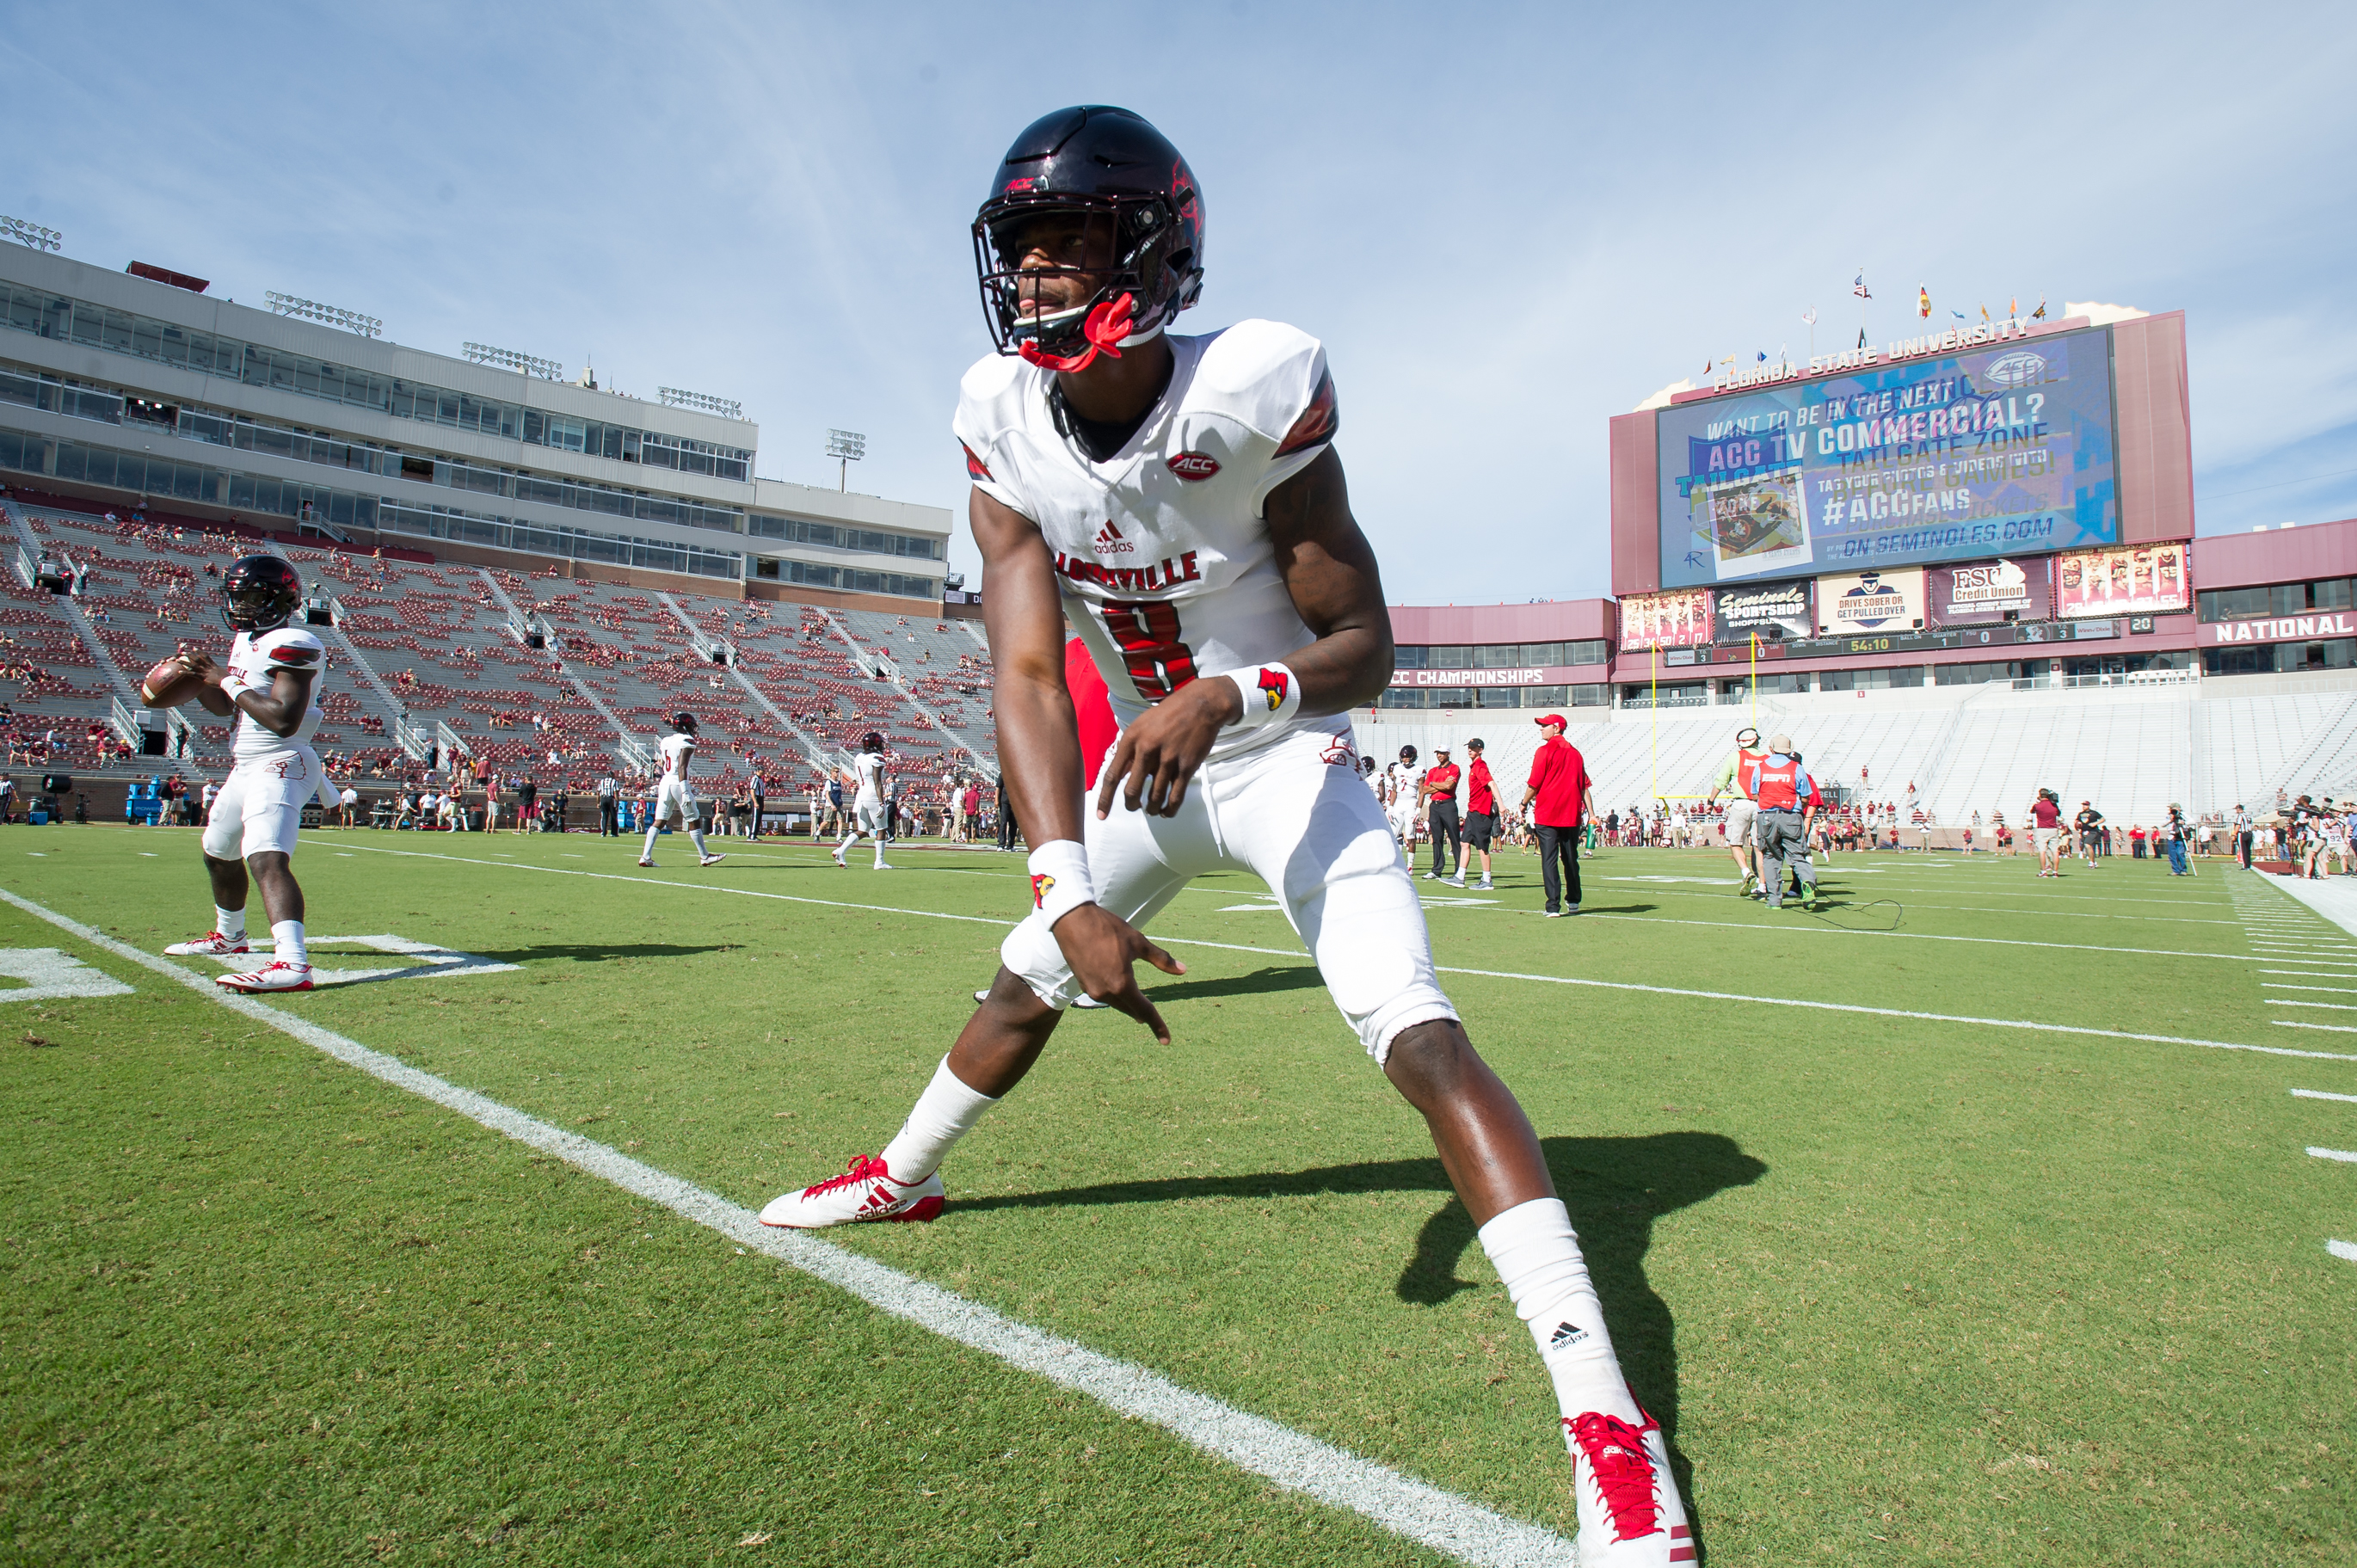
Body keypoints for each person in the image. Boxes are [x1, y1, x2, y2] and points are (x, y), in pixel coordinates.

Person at [756, 105, 1689, 1563]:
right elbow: (1017, 670)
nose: (1045, 274)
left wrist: (1231, 685)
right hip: (1144, 765)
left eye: (1074, 240)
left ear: (1153, 249)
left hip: (1277, 752)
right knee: (1023, 978)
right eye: (1026, 247)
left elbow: (1363, 640)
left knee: (1420, 1034)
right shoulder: (998, 415)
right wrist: (1066, 884)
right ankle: (905, 1172)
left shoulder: (1253, 387)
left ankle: (1604, 1420)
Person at [160, 556, 329, 993]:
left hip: (282, 758)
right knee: (217, 850)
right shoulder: (245, 640)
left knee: (266, 855)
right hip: (246, 764)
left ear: (280, 598)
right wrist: (197, 681)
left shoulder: (296, 640)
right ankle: (231, 937)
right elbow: (226, 706)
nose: (240, 605)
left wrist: (226, 680)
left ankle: (293, 964)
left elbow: (282, 719)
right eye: (236, 595)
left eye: (251, 596)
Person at [1520, 713, 1594, 917]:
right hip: (1570, 815)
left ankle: (1553, 905)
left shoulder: (1544, 751)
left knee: (1549, 860)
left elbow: (1534, 783)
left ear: (1556, 728)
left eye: (1544, 725)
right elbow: (1584, 787)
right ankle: (1574, 900)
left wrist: (1523, 803)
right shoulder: (1576, 754)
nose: (1541, 728)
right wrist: (1592, 813)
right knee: (1570, 858)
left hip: (1548, 813)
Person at [638, 713, 725, 869]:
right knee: (693, 819)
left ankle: (645, 856)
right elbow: (681, 767)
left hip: (664, 782)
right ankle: (705, 856)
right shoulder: (687, 741)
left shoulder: (666, 741)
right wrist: (685, 791)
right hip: (678, 783)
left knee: (660, 820)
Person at [1743, 734, 1818, 911]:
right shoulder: (1796, 768)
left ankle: (1774, 900)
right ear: (1789, 750)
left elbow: (1754, 794)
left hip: (1767, 816)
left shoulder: (1761, 768)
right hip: (1791, 815)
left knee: (1770, 856)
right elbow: (1806, 796)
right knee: (1798, 855)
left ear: (1771, 748)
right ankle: (1807, 882)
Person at [1705, 725, 1766, 898]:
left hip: (1741, 804)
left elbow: (1721, 781)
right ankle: (1763, 885)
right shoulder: (1768, 759)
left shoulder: (1736, 757)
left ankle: (1746, 872)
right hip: (1762, 805)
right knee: (1758, 847)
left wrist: (1710, 801)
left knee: (1735, 843)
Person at [834, 731, 892, 870]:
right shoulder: (877, 757)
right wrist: (881, 802)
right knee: (881, 829)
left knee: (863, 830)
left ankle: (841, 851)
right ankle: (879, 862)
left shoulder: (859, 757)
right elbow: (877, 782)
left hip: (861, 795)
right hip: (873, 794)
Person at [1458, 737, 1496, 890]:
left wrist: (1500, 804)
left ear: (1480, 750)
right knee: (1464, 843)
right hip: (1473, 810)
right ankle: (1459, 876)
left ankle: (1487, 880)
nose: (1470, 750)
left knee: (1482, 847)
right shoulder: (1474, 766)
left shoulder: (1480, 766)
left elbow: (1491, 783)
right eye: (1469, 747)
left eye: (1473, 748)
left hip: (1481, 811)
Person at [1420, 742, 1462, 882]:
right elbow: (1425, 790)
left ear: (1448, 754)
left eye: (1442, 753)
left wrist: (1433, 785)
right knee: (1436, 839)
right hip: (1435, 806)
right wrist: (1440, 786)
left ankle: (1459, 869)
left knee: (1454, 838)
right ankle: (1437, 869)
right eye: (1438, 753)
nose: (1439, 755)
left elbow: (1449, 786)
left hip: (1448, 805)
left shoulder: (1454, 768)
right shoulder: (1432, 771)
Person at [2029, 788, 2065, 876]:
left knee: (2042, 851)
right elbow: (2058, 814)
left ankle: (2043, 871)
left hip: (2042, 829)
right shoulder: (2054, 805)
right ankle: (2055, 872)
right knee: (2055, 851)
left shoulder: (2037, 806)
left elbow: (2032, 811)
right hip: (2053, 829)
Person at [2074, 800, 2104, 867]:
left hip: (2093, 831)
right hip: (2084, 831)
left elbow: (2103, 819)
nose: (2084, 806)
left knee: (2087, 844)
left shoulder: (2094, 813)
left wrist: (2095, 823)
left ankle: (2091, 862)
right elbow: (2077, 821)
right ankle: (2093, 861)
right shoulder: (2080, 814)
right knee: (2088, 847)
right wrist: (2076, 825)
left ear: (2088, 806)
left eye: (2085, 805)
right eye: (2083, 805)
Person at [596, 771, 620, 837]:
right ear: (612, 775)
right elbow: (615, 792)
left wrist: (598, 802)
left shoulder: (602, 781)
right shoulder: (614, 781)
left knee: (604, 816)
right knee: (613, 816)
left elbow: (598, 792)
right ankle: (613, 833)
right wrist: (617, 802)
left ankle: (603, 832)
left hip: (603, 799)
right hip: (611, 799)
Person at [2234, 803, 2255, 870]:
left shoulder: (2240, 816)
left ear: (2239, 809)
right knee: (2248, 850)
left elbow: (2238, 825)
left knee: (2243, 850)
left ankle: (2245, 865)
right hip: (2249, 833)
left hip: (2243, 834)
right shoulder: (2248, 815)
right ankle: (2248, 865)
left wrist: (2234, 834)